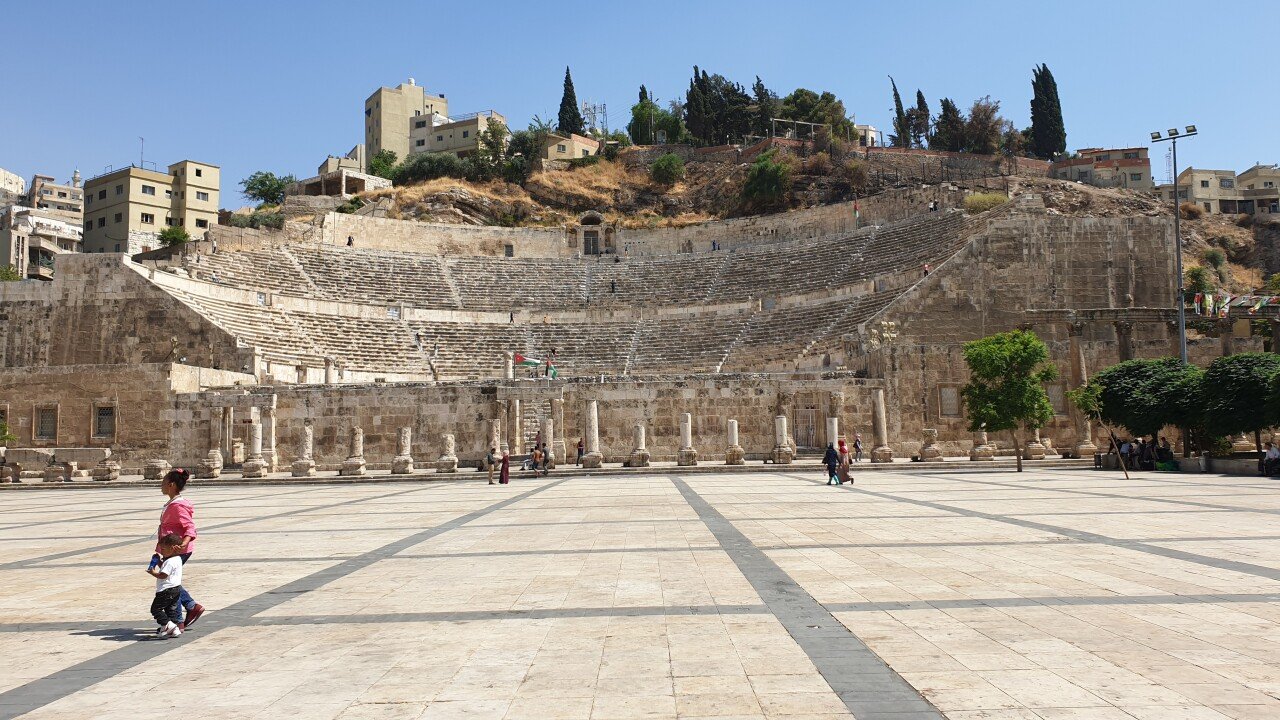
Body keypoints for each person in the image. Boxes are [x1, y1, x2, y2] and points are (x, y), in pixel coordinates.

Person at [153, 469, 205, 630]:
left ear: (171, 485)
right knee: (171, 583)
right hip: (170, 548)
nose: (160, 486)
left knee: (170, 584)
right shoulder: (172, 503)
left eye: (163, 483)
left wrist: (184, 543)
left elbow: (189, 526)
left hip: (178, 549)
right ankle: (190, 608)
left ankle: (178, 619)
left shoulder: (178, 506)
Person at [147, 533, 186, 638]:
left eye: (163, 549)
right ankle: (174, 629)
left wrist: (153, 572)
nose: (162, 552)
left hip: (166, 590)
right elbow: (165, 568)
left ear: (173, 548)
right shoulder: (177, 559)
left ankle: (169, 626)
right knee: (170, 610)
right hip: (176, 589)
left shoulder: (169, 562)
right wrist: (159, 562)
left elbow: (163, 575)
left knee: (156, 609)